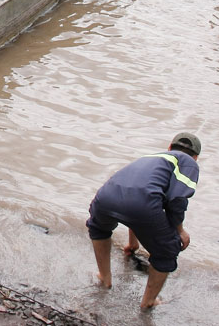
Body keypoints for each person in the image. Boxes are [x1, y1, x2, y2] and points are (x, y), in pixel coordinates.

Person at [87, 132, 201, 311]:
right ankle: (148, 301)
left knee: (99, 228)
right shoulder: (189, 163)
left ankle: (104, 277)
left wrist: (133, 245)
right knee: (167, 251)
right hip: (142, 202)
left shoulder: (153, 157)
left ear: (169, 147)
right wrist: (180, 230)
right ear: (196, 157)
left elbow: (137, 193)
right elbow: (177, 200)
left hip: (106, 195)